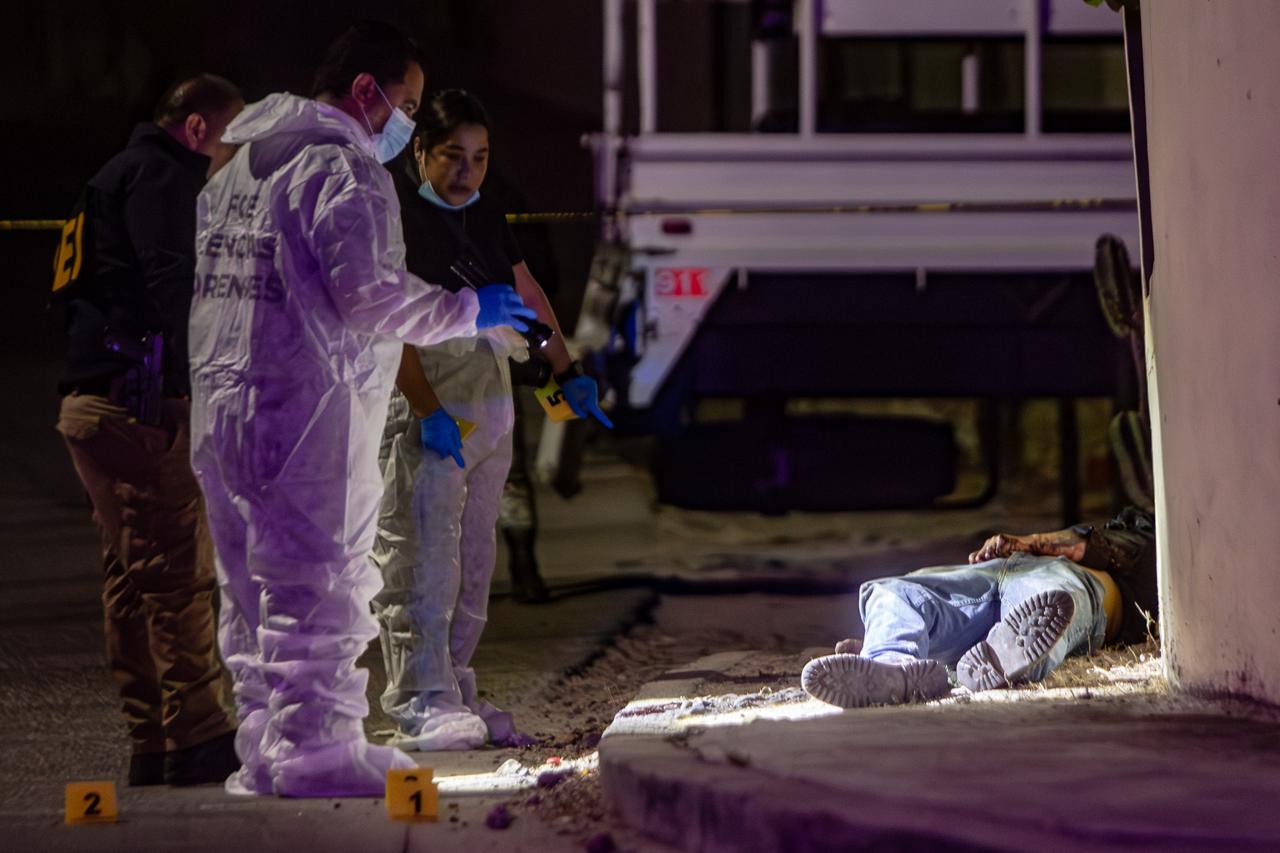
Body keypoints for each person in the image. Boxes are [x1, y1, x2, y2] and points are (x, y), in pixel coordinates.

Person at [187, 24, 537, 797]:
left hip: (226, 408)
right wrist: (467, 309)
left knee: (246, 588)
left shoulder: (240, 165)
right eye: (407, 104)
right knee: (316, 577)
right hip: (303, 410)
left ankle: (266, 745)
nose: (407, 120)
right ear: (366, 91)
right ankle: (315, 749)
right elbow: (370, 295)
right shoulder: (340, 168)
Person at [370, 89, 611, 751]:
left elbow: (527, 293)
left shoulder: (483, 210)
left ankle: (454, 685)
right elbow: (390, 327)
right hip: (428, 402)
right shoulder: (394, 218)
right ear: (420, 150)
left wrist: (565, 369)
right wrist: (427, 410)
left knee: (473, 560)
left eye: (479, 157)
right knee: (420, 557)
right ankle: (420, 700)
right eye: (453, 156)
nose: (466, 171)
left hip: (487, 399)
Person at [55, 74, 244, 786]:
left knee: (132, 580)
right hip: (139, 404)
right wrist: (198, 382)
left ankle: (154, 739)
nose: (233, 158)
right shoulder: (163, 177)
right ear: (196, 128)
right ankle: (200, 735)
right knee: (177, 577)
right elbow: (176, 284)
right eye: (230, 138)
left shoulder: (109, 177)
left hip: (92, 401)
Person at [801, 507, 1157, 708]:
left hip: (1060, 579)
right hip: (995, 574)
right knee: (891, 591)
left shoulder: (1158, 538)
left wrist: (1034, 541)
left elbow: (1089, 548)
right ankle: (890, 659)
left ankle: (997, 658)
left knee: (1051, 604)